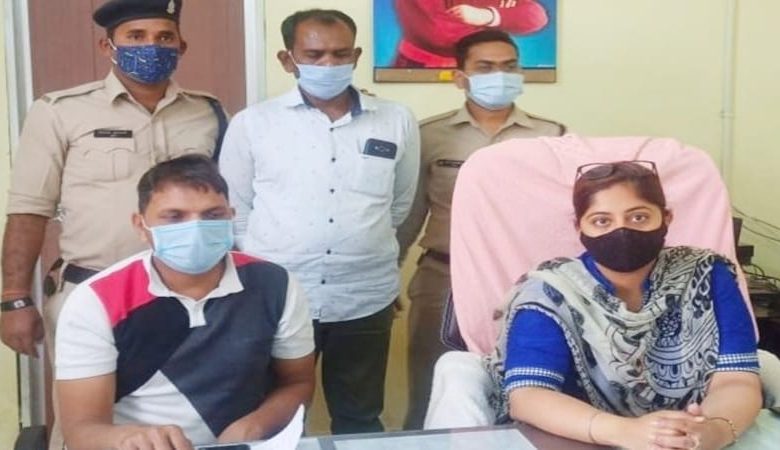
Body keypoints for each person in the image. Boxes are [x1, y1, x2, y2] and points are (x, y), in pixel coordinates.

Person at [219, 9, 420, 434]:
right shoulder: (253, 124)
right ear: (287, 59)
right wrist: (264, 278)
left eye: (340, 54)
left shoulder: (396, 119)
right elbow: (237, 210)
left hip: (365, 297)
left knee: (360, 418)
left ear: (356, 56)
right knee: (277, 419)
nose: (329, 64)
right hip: (280, 298)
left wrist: (363, 246)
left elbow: (399, 205)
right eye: (314, 55)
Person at [481, 161, 761, 449]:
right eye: (602, 221)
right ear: (579, 227)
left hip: (691, 431)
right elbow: (528, 396)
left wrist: (714, 431)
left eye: (639, 217)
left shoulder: (705, 274)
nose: (622, 231)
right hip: (576, 436)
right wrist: (626, 432)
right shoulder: (551, 292)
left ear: (666, 217)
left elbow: (736, 379)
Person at [1, 0, 226, 358]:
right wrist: (14, 298)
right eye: (135, 36)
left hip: (190, 293)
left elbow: (224, 202)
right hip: (91, 289)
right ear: (108, 46)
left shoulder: (208, 113)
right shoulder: (60, 112)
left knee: (190, 394)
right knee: (87, 396)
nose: (151, 46)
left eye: (164, 37)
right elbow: (29, 210)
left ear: (181, 47)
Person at [55, 155, 315, 450]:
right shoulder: (96, 301)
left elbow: (298, 383)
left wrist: (254, 427)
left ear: (231, 217)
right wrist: (129, 439)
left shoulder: (275, 284)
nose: (196, 229)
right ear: (140, 225)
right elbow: (82, 430)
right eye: (174, 217)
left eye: (213, 215)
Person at [396, 29, 565, 429]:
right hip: (444, 278)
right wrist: (387, 277)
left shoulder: (551, 136)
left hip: (526, 280)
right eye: (485, 67)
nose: (499, 75)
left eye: (509, 66)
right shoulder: (428, 135)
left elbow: (563, 216)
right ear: (460, 77)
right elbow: (409, 213)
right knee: (432, 385)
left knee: (528, 383)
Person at [394, 0, 549, 67]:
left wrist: (487, 15)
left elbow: (536, 17)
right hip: (421, 66)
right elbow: (439, 33)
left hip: (484, 67)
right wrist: (504, 17)